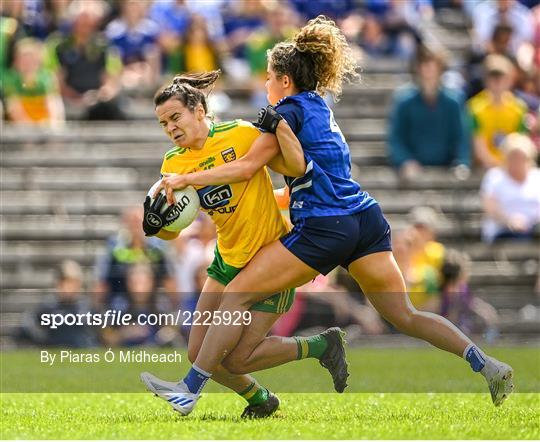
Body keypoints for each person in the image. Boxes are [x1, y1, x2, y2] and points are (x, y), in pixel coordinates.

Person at [155, 16, 515, 415]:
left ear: (285, 81)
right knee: (406, 314)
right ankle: (486, 362)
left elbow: (248, 168)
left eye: (270, 77)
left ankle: (189, 388)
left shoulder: (285, 111)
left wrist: (184, 177)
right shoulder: (318, 107)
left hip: (325, 229)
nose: (265, 85)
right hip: (365, 217)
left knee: (236, 293)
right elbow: (302, 170)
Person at [140, 70, 348, 418]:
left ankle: (189, 391)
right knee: (200, 352)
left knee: (230, 356)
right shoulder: (172, 163)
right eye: (163, 123)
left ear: (200, 111)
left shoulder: (241, 134)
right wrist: (156, 226)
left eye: (175, 117)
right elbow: (174, 230)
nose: (171, 128)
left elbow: (275, 169)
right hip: (227, 259)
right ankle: (288, 375)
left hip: (271, 257)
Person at [387, 45, 471, 181]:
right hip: (412, 171)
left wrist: (461, 163)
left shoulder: (454, 101)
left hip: (447, 170)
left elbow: (461, 137)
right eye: (423, 63)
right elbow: (396, 138)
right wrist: (405, 161)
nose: (428, 68)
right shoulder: (403, 100)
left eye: (432, 63)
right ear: (417, 67)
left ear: (440, 67)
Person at [468, 53, 528, 169]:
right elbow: (479, 151)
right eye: (493, 77)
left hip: (511, 167)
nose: (498, 82)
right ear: (486, 80)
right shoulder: (475, 108)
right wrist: (498, 165)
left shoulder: (519, 109)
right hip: (484, 168)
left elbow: (520, 144)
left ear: (510, 80)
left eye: (502, 77)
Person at [480, 133, 540, 243]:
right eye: (513, 156)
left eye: (521, 157)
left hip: (534, 230)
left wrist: (532, 222)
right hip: (502, 231)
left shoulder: (537, 176)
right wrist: (510, 221)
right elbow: (490, 208)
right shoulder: (494, 176)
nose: (517, 161)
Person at [3, 37, 65, 126]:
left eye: (31, 59)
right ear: (16, 61)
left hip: (44, 123)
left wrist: (50, 123)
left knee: (56, 101)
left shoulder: (46, 77)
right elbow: (14, 106)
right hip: (21, 126)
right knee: (12, 104)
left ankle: (55, 133)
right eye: (24, 59)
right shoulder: (11, 78)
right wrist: (30, 126)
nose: (28, 63)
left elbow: (51, 103)